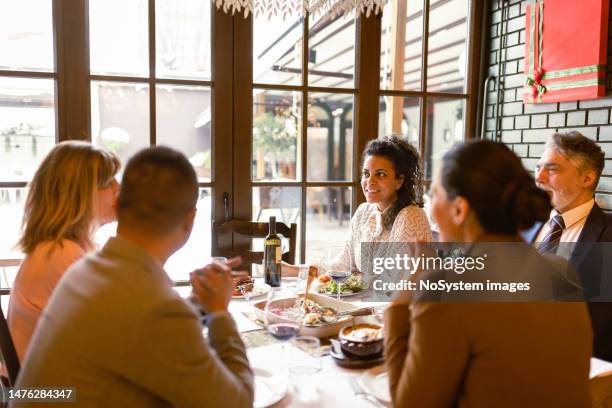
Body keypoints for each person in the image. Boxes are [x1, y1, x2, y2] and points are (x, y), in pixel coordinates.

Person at [14, 147, 253, 407]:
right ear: (190, 220)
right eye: (107, 183)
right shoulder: (69, 257)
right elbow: (236, 403)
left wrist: (196, 303)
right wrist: (219, 314)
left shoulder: (87, 266)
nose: (114, 187)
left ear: (120, 205)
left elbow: (128, 325)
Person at [384, 140, 592, 407]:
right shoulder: (563, 271)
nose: (431, 208)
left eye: (434, 195)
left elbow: (410, 404)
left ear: (459, 210)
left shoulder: (445, 287)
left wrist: (410, 285)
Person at [8, 141, 120, 362]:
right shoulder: (62, 255)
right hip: (49, 394)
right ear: (79, 194)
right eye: (109, 183)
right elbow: (115, 332)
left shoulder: (61, 249)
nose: (119, 188)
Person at [284, 135, 432, 276]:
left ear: (399, 181)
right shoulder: (363, 212)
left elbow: (397, 281)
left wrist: (358, 283)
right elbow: (344, 264)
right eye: (366, 174)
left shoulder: (411, 216)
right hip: (366, 301)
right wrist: (294, 271)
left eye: (380, 174)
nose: (370, 182)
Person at [526, 131, 612, 361]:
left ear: (587, 178)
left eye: (552, 169)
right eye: (538, 167)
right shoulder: (521, 225)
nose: (539, 178)